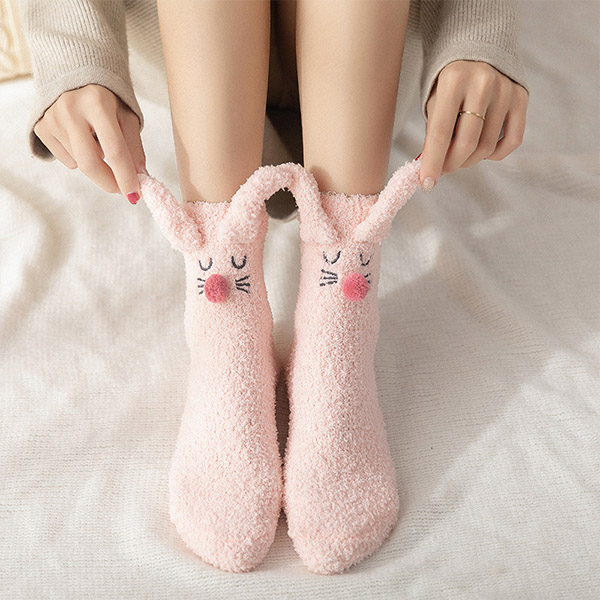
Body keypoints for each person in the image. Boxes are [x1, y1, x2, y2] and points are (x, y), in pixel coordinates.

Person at [21, 0, 530, 574]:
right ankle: (226, 341)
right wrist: (74, 49)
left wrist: (476, 26)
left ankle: (336, 340)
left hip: (371, 64)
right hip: (196, 68)